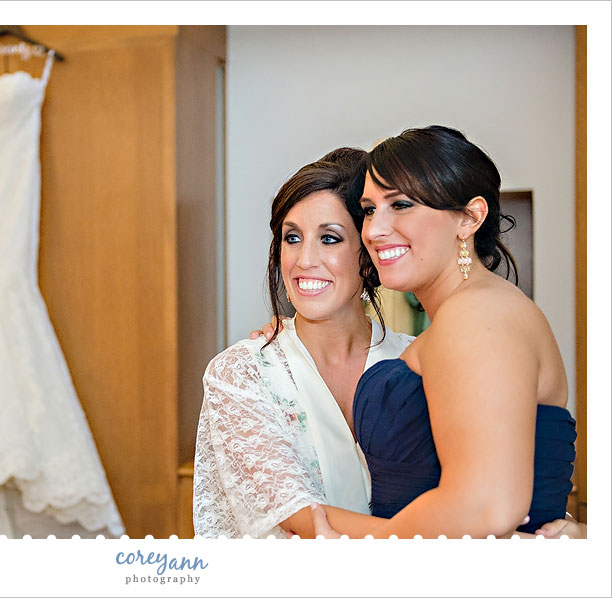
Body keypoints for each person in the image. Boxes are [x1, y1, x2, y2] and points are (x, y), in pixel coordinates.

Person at [276, 125, 579, 539]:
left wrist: (339, 537)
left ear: (470, 218)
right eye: (368, 209)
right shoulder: (473, 313)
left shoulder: (478, 315)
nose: (375, 230)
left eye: (400, 205)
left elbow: (485, 506)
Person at [192, 148, 415, 538]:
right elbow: (301, 516)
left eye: (329, 238)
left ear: (368, 256)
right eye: (292, 237)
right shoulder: (242, 373)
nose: (304, 259)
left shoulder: (419, 361)